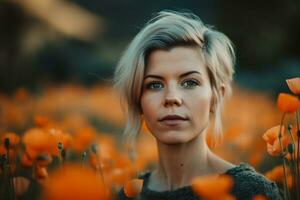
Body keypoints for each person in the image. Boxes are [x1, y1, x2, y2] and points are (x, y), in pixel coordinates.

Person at [114, 10, 282, 200]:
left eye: (190, 82)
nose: (172, 98)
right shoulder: (129, 195)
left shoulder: (250, 192)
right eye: (155, 84)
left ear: (217, 95)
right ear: (138, 99)